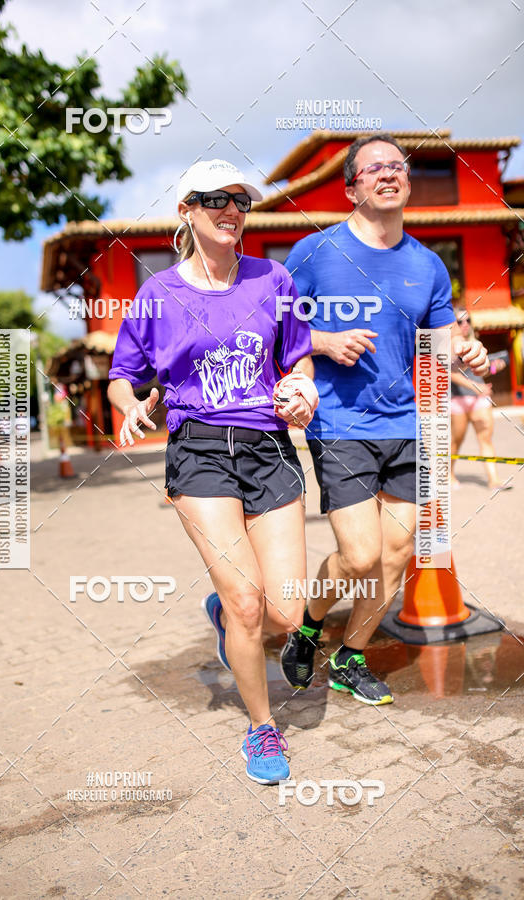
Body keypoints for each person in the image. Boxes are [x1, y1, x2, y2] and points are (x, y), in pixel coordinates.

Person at [107, 159, 318, 784]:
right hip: (197, 449)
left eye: (239, 201)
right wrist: (131, 407)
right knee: (248, 606)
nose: (229, 211)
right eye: (212, 200)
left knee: (285, 612)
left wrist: (303, 392)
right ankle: (262, 728)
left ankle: (225, 608)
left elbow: (299, 364)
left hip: (267, 446)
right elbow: (123, 375)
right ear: (186, 213)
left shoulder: (274, 279)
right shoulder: (158, 294)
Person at [281, 133, 489, 704]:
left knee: (398, 554)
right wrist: (323, 341)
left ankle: (350, 657)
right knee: (361, 556)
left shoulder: (427, 264)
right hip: (342, 423)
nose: (388, 173)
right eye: (373, 168)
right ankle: (307, 623)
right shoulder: (314, 253)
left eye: (397, 165)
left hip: (410, 427)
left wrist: (466, 355)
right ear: (353, 186)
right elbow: (280, 330)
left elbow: (441, 346)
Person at [451, 307, 511, 491]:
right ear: (452, 324)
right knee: (456, 441)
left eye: (467, 320)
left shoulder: (476, 342)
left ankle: (494, 480)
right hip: (457, 400)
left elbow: (480, 371)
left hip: (480, 399)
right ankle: (448, 474)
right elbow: (449, 373)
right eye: (460, 321)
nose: (465, 324)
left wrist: (493, 367)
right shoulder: (447, 345)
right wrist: (477, 387)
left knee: (486, 439)